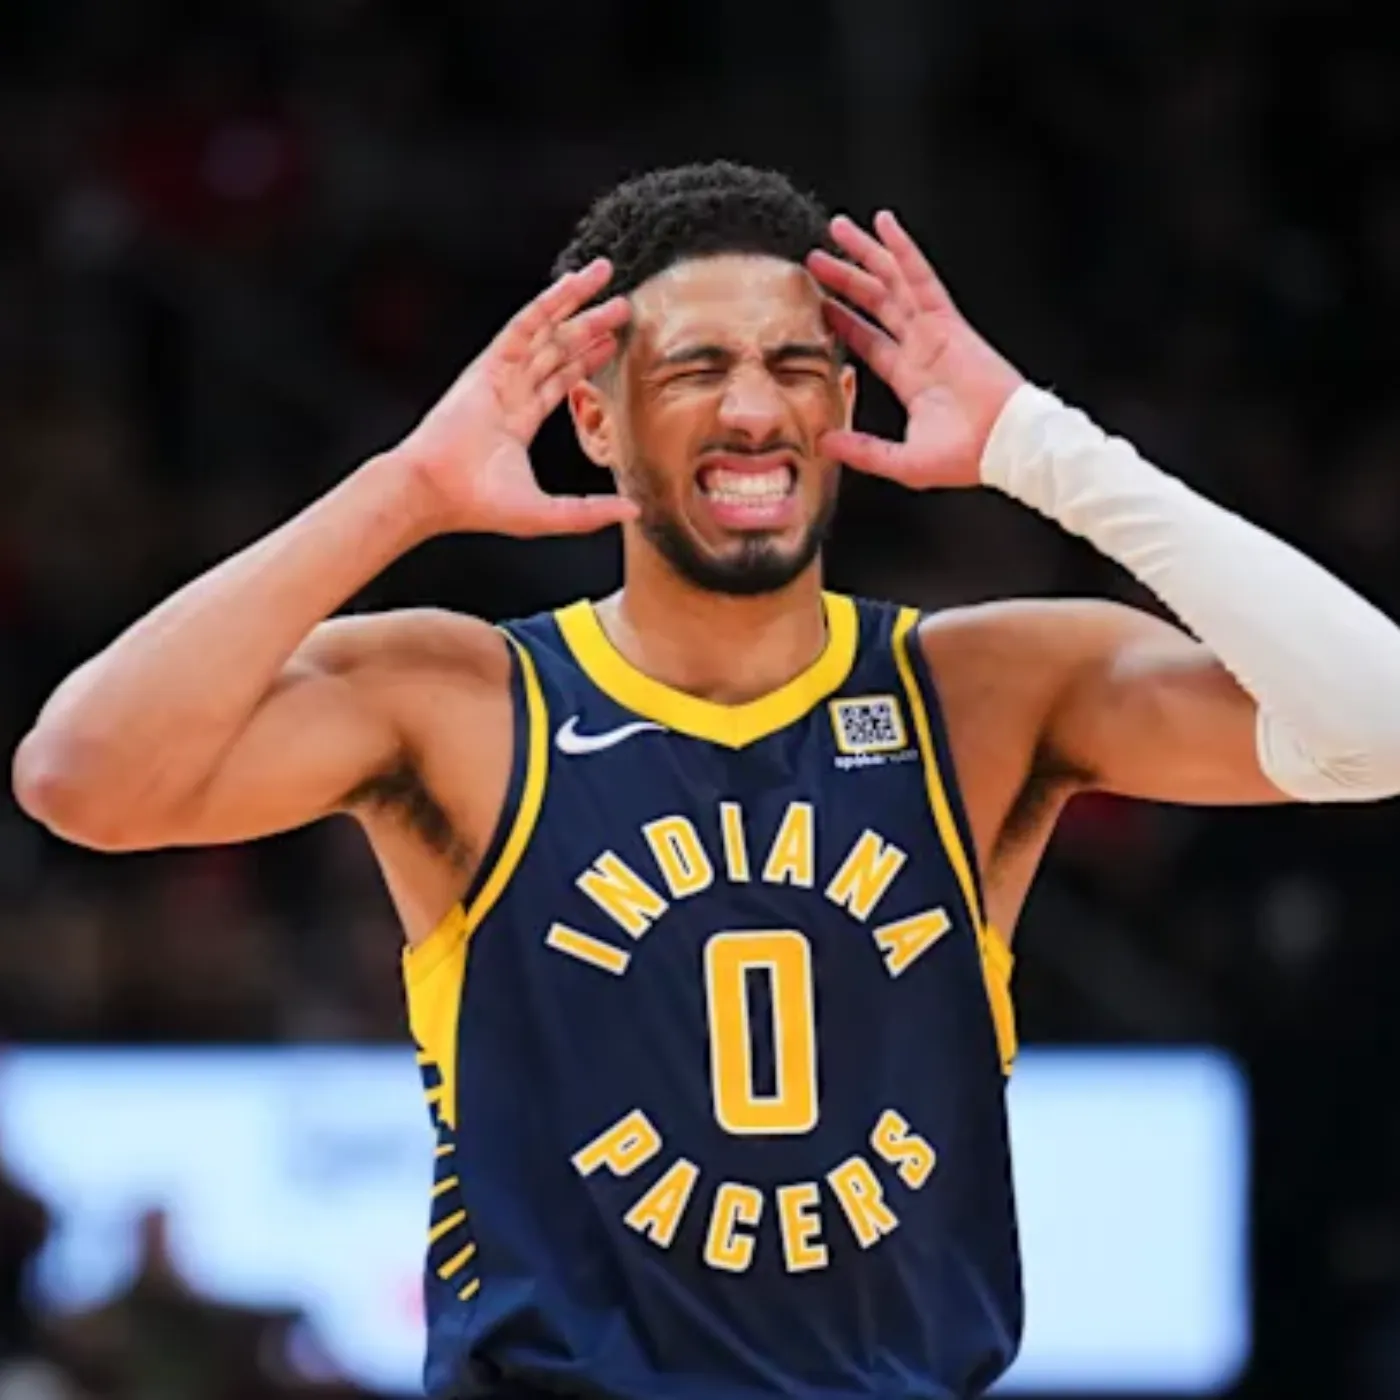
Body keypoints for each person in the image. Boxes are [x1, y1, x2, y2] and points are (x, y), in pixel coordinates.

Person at [12, 160, 1400, 1400]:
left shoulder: (985, 691)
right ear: (594, 417)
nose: (751, 409)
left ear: (844, 401)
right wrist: (408, 489)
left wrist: (1042, 446)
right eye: (694, 369)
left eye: (795, 365)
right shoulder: (465, 699)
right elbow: (83, 777)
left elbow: (1378, 728)